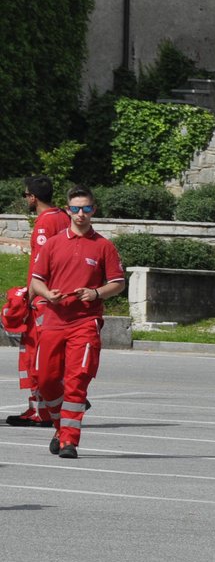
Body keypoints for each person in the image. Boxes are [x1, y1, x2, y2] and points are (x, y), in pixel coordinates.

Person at [28, 187, 126, 459]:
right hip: (53, 321)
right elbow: (37, 280)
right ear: (68, 210)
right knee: (46, 381)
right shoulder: (53, 244)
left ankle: (70, 441)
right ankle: (60, 427)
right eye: (75, 209)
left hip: (85, 322)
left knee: (76, 382)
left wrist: (95, 293)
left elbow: (117, 283)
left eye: (86, 209)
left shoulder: (104, 246)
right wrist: (48, 295)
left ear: (94, 210)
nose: (80, 214)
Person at [8, 176, 72, 429]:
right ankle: (50, 402)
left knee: (35, 353)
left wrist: (31, 295)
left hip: (45, 297)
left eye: (26, 195)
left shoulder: (45, 222)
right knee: (52, 354)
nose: (26, 199)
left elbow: (41, 262)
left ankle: (42, 410)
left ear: (33, 197)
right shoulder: (64, 217)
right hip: (60, 295)